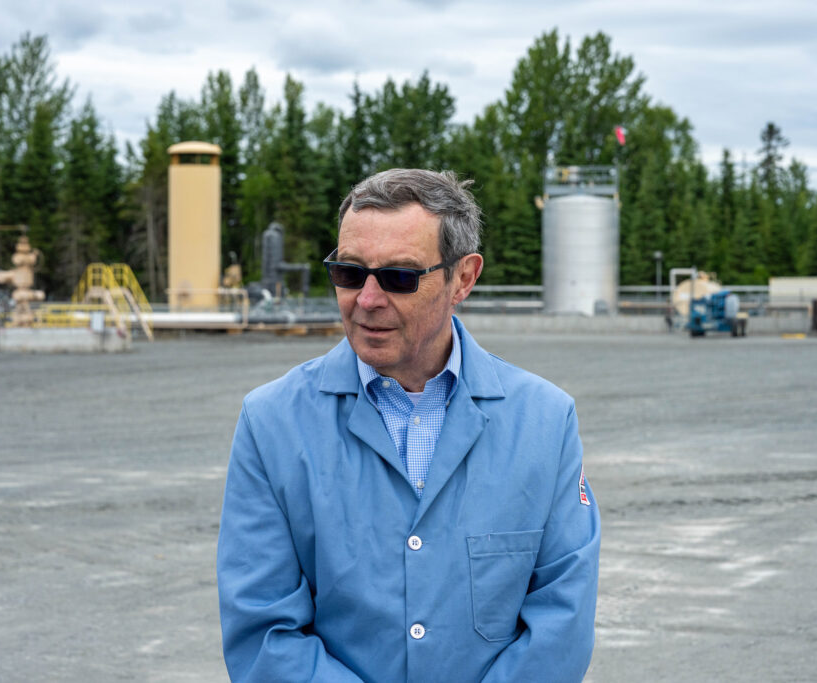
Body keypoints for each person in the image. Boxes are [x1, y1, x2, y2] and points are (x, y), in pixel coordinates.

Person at [217, 168, 600, 682]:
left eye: (399, 277)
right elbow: (263, 631)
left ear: (463, 278)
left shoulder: (546, 423)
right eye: (350, 273)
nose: (368, 300)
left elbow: (561, 624)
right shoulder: (271, 425)